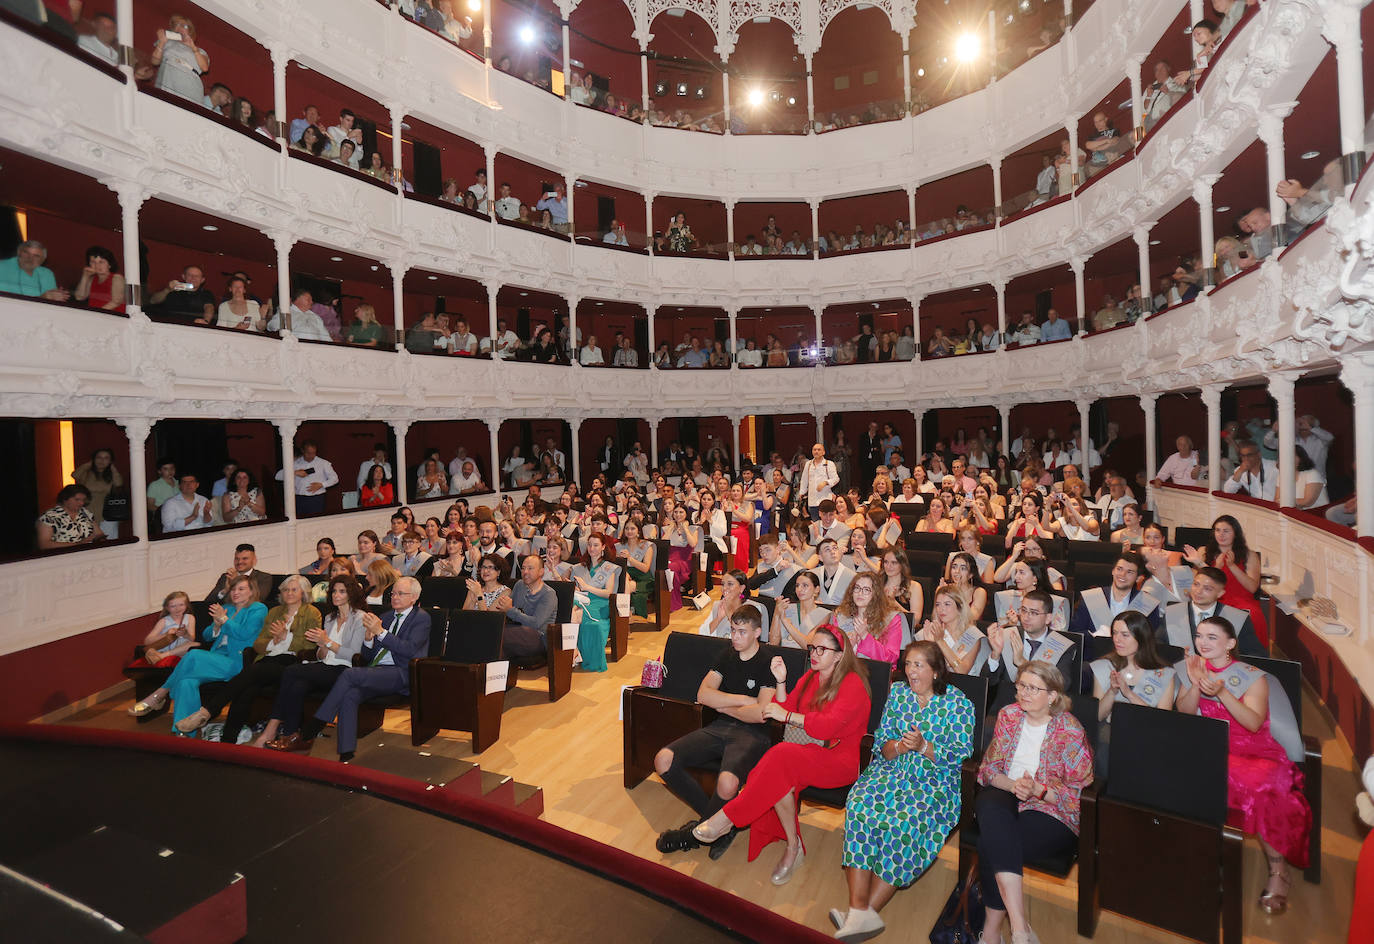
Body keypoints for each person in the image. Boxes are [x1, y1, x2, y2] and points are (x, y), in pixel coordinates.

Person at [691, 625, 872, 885]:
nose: (814, 654)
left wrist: (787, 715)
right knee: (778, 775)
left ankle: (727, 818)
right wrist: (780, 681)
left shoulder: (852, 682)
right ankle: (793, 845)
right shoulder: (811, 676)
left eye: (822, 649)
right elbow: (784, 706)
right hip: (809, 751)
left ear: (839, 655)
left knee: (780, 756)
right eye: (812, 648)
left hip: (839, 759)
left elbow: (827, 725)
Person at [834, 641, 976, 941]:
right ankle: (858, 911)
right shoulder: (898, 694)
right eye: (908, 664)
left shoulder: (959, 704)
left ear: (936, 671)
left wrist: (924, 747)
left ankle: (861, 915)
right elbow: (882, 742)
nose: (911, 671)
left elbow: (962, 753)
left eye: (919, 665)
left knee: (903, 822)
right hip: (892, 771)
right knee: (859, 806)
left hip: (934, 781)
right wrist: (899, 746)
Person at [1176, 616, 1312, 913]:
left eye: (1212, 637)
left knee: (1261, 791)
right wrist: (1195, 683)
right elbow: (1184, 712)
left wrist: (1222, 692)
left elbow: (1252, 723)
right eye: (1200, 636)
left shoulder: (1252, 676)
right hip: (1209, 747)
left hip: (1253, 751)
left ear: (1231, 644)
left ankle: (1279, 871)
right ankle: (1196, 857)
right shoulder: (1196, 668)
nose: (1203, 642)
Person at [975, 660, 1094, 944]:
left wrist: (1038, 790)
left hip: (1050, 808)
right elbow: (989, 770)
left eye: (1032, 688)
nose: (1023, 693)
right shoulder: (1009, 715)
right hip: (1006, 792)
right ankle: (1019, 928)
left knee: (991, 843)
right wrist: (1014, 784)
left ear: (1052, 695)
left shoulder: (1070, 730)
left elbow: (1078, 796)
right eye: (1021, 686)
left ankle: (992, 931)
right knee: (990, 806)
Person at [654, 607, 778, 861]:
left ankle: (692, 835)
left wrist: (722, 705)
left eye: (742, 632)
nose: (735, 637)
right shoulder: (727, 655)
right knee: (663, 760)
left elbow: (760, 714)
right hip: (720, 727)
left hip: (754, 735)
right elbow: (703, 694)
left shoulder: (769, 662)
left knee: (727, 783)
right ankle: (722, 825)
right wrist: (743, 700)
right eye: (733, 630)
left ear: (757, 633)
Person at [269, 577, 430, 761]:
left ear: (414, 597)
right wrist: (369, 639)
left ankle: (311, 728)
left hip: (402, 672)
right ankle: (346, 753)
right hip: (377, 671)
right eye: (393, 593)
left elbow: (409, 651)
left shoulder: (421, 618)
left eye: (401, 594)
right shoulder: (385, 617)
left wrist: (381, 633)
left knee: (349, 673)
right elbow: (367, 657)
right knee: (350, 694)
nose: (394, 597)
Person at [175, 575, 320, 739]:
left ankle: (207, 711)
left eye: (294, 589)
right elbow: (258, 644)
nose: (289, 593)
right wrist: (274, 641)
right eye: (286, 589)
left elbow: (310, 646)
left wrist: (286, 637)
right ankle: (228, 739)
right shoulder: (274, 612)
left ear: (304, 592)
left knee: (252, 671)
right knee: (246, 690)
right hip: (267, 659)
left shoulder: (312, 612)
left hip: (291, 662)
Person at [127, 576, 268, 726]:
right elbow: (207, 636)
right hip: (216, 657)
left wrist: (224, 619)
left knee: (193, 654)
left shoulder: (258, 608)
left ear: (252, 591)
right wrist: (216, 626)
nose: (235, 592)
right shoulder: (229, 608)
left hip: (237, 662)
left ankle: (160, 694)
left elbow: (244, 633)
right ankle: (183, 733)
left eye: (241, 589)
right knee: (186, 683)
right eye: (233, 589)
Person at [1182, 514, 1268, 647]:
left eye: (1226, 531)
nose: (1221, 535)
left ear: (1235, 534)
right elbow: (1201, 583)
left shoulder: (1249, 555)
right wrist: (1217, 567)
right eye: (1217, 530)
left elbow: (1252, 588)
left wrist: (1232, 566)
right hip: (1214, 598)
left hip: (1242, 599)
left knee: (1253, 616)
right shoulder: (1203, 551)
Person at [1089, 611, 1176, 724]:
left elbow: (1162, 722)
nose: (1117, 639)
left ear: (1142, 638)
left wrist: (1129, 694)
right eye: (1115, 633)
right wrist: (1112, 692)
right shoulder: (1104, 666)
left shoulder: (1164, 674)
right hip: (1110, 735)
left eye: (1125, 635)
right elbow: (1098, 716)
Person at [1067, 553, 1161, 637]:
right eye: (1119, 569)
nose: (1122, 575)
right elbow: (1075, 633)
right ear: (1113, 571)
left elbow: (1150, 640)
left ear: (1138, 578)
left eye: (1129, 572)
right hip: (1094, 654)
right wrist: (1094, 636)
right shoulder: (1091, 597)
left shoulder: (1148, 604)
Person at [831, 572, 903, 667]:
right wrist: (847, 648)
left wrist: (865, 636)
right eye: (857, 588)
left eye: (866, 590)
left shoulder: (891, 619)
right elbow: (831, 652)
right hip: (844, 670)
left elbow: (891, 658)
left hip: (874, 673)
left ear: (876, 594)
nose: (860, 593)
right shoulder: (841, 615)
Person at [572, 533, 617, 672]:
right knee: (571, 610)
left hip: (600, 603)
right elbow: (579, 589)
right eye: (589, 545)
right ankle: (573, 651)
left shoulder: (608, 567)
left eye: (596, 545)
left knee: (574, 614)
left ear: (603, 546)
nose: (592, 548)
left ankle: (574, 652)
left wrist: (587, 587)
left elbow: (608, 593)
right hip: (582, 599)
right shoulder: (581, 566)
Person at [150, 13, 210, 105]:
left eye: (183, 26)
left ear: (190, 30)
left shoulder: (200, 51)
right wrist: (162, 42)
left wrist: (193, 48)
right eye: (176, 25)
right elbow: (155, 61)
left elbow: (204, 67)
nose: (179, 28)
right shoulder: (167, 42)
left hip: (190, 85)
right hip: (167, 81)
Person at [132, 591, 196, 668]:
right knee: (151, 650)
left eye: (181, 605)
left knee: (195, 645)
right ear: (167, 608)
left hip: (181, 649)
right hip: (165, 648)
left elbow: (192, 638)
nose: (177, 609)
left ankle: (161, 656)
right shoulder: (164, 621)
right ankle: (157, 654)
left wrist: (185, 634)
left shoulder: (190, 618)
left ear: (186, 605)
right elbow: (147, 641)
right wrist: (166, 634)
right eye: (173, 606)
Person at [278, 439, 338, 515]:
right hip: (299, 499)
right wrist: (295, 473)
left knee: (316, 522)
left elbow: (335, 479)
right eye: (309, 453)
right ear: (302, 451)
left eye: (314, 453)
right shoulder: (295, 463)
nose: (311, 456)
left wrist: (322, 485)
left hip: (317, 499)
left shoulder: (323, 463)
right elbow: (277, 476)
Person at [35, 484, 102, 550]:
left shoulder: (85, 513)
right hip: (62, 556)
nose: (81, 503)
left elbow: (99, 534)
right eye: (77, 500)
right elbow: (44, 544)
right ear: (65, 499)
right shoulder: (50, 517)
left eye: (83, 500)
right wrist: (77, 544)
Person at [204, 543, 275, 605]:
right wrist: (225, 590)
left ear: (254, 560)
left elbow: (258, 600)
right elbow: (208, 602)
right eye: (237, 559)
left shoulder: (264, 577)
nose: (240, 562)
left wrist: (236, 581)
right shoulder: (226, 577)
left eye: (245, 559)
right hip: (226, 613)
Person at [0, 240, 69, 301]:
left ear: (43, 260)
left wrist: (58, 296)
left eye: (36, 256)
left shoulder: (47, 274)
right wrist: (42, 298)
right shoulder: (2, 267)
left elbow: (52, 302)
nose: (30, 258)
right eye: (26, 253)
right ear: (19, 253)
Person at [72, 245, 126, 313]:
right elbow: (79, 297)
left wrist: (96, 314)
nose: (97, 265)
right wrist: (85, 277)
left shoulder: (117, 278)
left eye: (101, 262)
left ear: (109, 264)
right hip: (97, 317)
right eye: (93, 262)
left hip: (114, 318)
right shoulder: (92, 279)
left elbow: (116, 301)